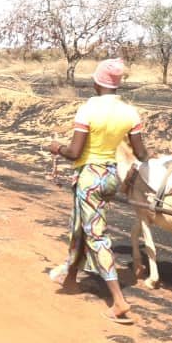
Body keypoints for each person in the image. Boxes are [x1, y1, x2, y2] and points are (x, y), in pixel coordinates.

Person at [48, 58, 150, 325]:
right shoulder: (130, 113)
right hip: (110, 177)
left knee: (97, 236)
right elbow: (141, 153)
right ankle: (70, 279)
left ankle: (118, 301)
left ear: (96, 83)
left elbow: (74, 152)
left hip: (90, 178)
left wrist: (56, 147)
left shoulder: (87, 110)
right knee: (81, 225)